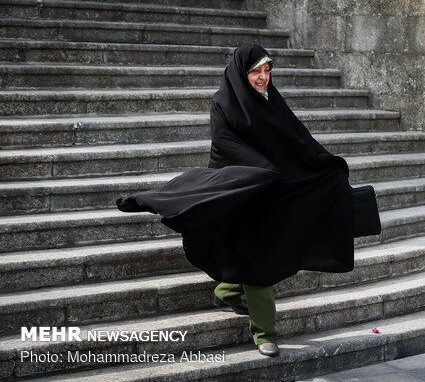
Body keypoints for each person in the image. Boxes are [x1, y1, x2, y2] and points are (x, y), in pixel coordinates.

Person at [117, 44, 379, 357]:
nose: (263, 77)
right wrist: (261, 168)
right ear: (243, 72)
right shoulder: (224, 102)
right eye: (256, 71)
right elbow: (224, 144)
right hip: (240, 193)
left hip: (273, 193)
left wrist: (325, 162)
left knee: (265, 255)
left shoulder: (272, 100)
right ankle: (265, 334)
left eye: (267, 70)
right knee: (259, 261)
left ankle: (227, 291)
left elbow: (297, 138)